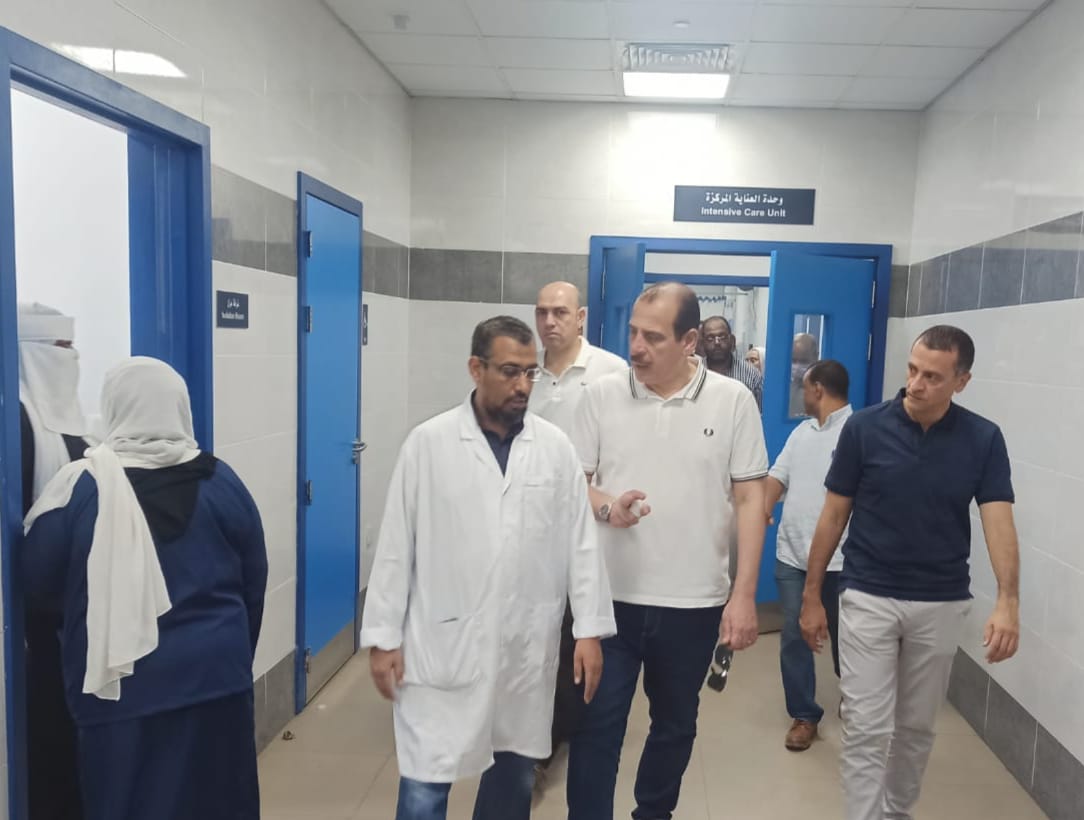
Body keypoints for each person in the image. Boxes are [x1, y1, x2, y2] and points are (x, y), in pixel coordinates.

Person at [360, 315, 615, 820]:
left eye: (529, 372)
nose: (523, 385)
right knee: (426, 781)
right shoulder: (428, 444)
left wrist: (588, 629)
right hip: (441, 642)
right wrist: (383, 637)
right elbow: (395, 545)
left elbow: (581, 544)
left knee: (514, 773)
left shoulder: (554, 449)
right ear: (476, 369)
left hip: (524, 645)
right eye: (509, 371)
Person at [22, 357, 268, 820]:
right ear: (179, 407)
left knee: (129, 802)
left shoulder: (81, 489)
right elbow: (253, 585)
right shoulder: (223, 481)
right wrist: (229, 653)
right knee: (219, 799)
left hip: (124, 692)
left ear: (113, 407)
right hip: (217, 679)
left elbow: (36, 585)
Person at [799, 326, 1020, 820]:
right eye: (913, 369)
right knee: (866, 726)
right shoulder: (865, 429)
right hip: (868, 592)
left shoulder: (983, 438)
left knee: (917, 728)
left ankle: (897, 812)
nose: (916, 384)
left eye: (933, 377)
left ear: (961, 381)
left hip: (941, 599)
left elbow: (998, 519)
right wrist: (812, 595)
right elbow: (833, 516)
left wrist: (1008, 601)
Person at [567, 283, 768, 820]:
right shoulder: (601, 395)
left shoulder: (732, 401)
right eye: (633, 332)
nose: (636, 347)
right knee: (595, 727)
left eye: (653, 337)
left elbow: (751, 499)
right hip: (609, 601)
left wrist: (743, 595)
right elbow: (574, 485)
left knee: (675, 724)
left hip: (693, 602)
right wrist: (607, 507)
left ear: (689, 341)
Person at [529, 280, 626, 785]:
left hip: (589, 526)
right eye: (542, 312)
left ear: (581, 316)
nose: (550, 321)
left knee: (576, 632)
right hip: (529, 529)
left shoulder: (611, 371)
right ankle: (536, 735)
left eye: (560, 312)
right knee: (535, 633)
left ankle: (556, 735)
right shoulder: (526, 373)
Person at [18, 302, 89, 820]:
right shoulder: (18, 423)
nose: (71, 358)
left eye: (72, 347)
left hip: (75, 612)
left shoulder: (75, 427)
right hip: (34, 618)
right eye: (58, 349)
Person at [764, 359, 851, 752]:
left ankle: (856, 702)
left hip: (842, 561)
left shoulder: (857, 432)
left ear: (817, 389)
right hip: (792, 554)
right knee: (794, 635)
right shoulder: (801, 433)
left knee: (849, 640)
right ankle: (804, 715)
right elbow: (777, 476)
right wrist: (764, 507)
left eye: (805, 387)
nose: (801, 393)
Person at [700, 315, 763, 411]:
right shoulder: (694, 372)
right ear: (702, 344)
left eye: (722, 337)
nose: (717, 342)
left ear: (732, 340)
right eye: (710, 338)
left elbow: (760, 413)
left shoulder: (751, 374)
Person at [789, 332, 819, 417]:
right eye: (794, 361)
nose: (797, 367)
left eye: (804, 361)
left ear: (816, 357)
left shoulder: (822, 389)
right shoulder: (783, 387)